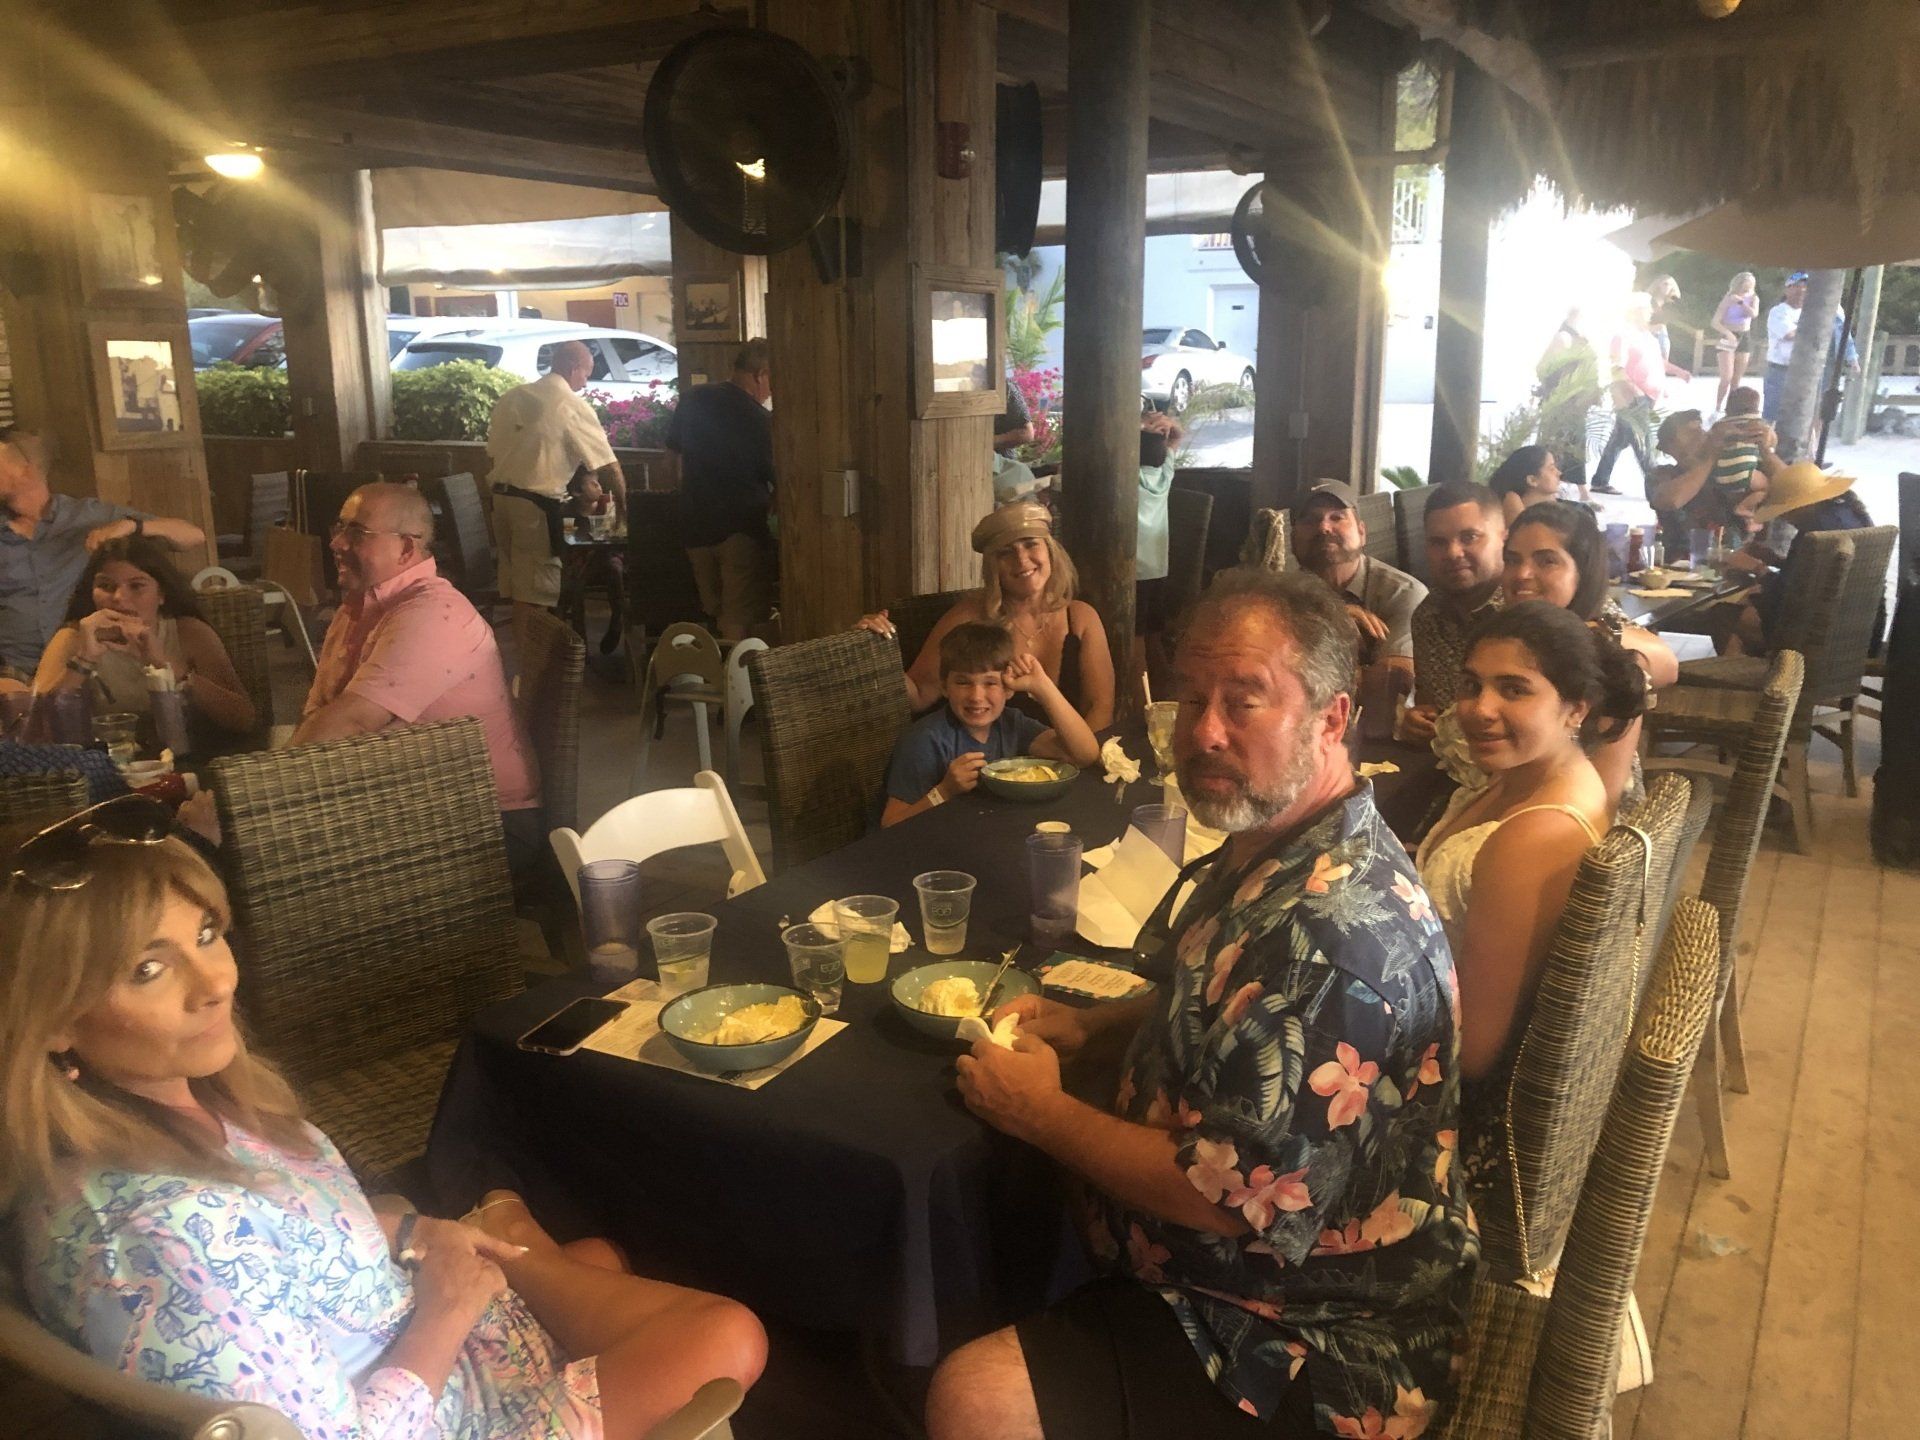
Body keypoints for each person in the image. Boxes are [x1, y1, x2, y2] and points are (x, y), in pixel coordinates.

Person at [2, 802, 766, 1439]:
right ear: (53, 1019)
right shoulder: (159, 1242)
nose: (214, 983)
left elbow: (290, 1237)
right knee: (724, 1335)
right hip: (450, 1411)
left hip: (432, 1344)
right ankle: (518, 1237)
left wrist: (410, 1232)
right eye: (147, 969)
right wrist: (446, 1309)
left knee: (601, 1255)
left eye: (206, 935)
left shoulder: (182, 1105)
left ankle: (516, 1239)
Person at [925, 568, 1475, 1440]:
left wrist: (1043, 1113)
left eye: (1245, 702)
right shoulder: (1282, 836)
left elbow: (1231, 1194)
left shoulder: (1335, 944)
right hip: (1218, 1268)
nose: (1205, 732)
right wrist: (1095, 1025)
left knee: (974, 1396)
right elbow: (1227, 997)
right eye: (1191, 699)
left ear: (1332, 719)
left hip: (1307, 1332)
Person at [1414, 602, 1643, 1196]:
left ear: (1575, 709)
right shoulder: (1532, 779)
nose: (1479, 708)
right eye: (1471, 685)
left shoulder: (1534, 838)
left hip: (1443, 1109)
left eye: (1514, 689)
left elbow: (1474, 1053)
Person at [294, 483, 544, 874]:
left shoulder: (434, 615)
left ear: (406, 548)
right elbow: (321, 713)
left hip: (487, 825)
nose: (336, 543)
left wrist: (253, 795)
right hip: (406, 799)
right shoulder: (355, 609)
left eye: (356, 532)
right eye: (339, 527)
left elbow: (352, 721)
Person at [858, 500, 1115, 731]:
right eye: (1006, 552)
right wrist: (874, 649)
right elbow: (919, 695)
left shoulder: (1081, 617)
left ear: (1050, 551)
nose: (1021, 560)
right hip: (990, 761)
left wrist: (1079, 759)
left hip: (1071, 758)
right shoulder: (968, 616)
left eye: (1030, 544)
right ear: (992, 567)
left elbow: (1100, 707)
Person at [1501, 500, 1677, 807]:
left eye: (1547, 561)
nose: (1522, 574)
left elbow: (1600, 806)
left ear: (1582, 571)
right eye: (1512, 560)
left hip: (1575, 819)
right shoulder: (1503, 633)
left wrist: (1583, 637)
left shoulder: (1605, 662)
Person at [0, 427, 205, 675]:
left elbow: (193, 536)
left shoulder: (89, 516)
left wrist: (132, 526)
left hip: (82, 663)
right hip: (12, 670)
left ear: (27, 470)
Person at [31, 538, 256, 741]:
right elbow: (33, 731)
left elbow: (244, 720)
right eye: (106, 586)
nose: (119, 597)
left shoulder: (188, 632)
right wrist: (83, 660)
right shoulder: (73, 637)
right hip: (107, 761)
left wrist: (166, 666)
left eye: (136, 586)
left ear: (161, 594)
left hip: (191, 756)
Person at [880, 622, 1097, 827]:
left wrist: (1042, 687)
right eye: (963, 682)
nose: (976, 696)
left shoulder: (1011, 724)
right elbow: (890, 824)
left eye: (990, 682)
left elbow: (1085, 754)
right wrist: (944, 792)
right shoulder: (925, 740)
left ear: (1008, 688)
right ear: (945, 687)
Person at [485, 340, 624, 628]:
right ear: (573, 368)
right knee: (534, 597)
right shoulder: (570, 405)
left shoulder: (513, 396)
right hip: (533, 508)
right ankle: (533, 656)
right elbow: (609, 466)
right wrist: (624, 511)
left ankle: (527, 653)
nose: (586, 383)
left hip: (500, 502)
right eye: (586, 374)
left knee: (519, 592)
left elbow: (494, 451)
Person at [664, 339, 776, 643]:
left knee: (715, 612)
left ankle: (717, 666)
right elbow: (779, 478)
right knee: (738, 619)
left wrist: (684, 496)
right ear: (761, 374)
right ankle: (735, 674)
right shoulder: (760, 420)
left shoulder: (692, 399)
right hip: (740, 529)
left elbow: (672, 458)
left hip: (694, 526)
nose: (771, 393)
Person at [1720, 462, 1879, 657]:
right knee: (1748, 606)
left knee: (1726, 614)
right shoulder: (1847, 512)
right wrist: (1776, 560)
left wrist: (1758, 568)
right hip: (1861, 631)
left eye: (1785, 511)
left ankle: (1770, 671)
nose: (1785, 517)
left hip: (1814, 638)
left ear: (1800, 506)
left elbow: (1788, 597)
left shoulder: (1816, 534)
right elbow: (1819, 574)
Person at [1290, 479, 1427, 676]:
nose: (1324, 527)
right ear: (1292, 539)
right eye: (1310, 520)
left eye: (1337, 517)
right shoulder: (1278, 598)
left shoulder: (1403, 594)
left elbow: (1396, 680)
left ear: (1362, 532)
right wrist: (1331, 621)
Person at [1406, 482, 1507, 742]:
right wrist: (1419, 720)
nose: (1453, 553)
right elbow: (1432, 706)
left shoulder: (1525, 612)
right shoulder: (1427, 617)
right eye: (1438, 542)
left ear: (1503, 537)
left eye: (1469, 537)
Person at [1646, 402, 1779, 560]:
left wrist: (1766, 450)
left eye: (1701, 430)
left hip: (1737, 562)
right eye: (1691, 434)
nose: (1701, 436)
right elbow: (1671, 500)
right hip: (1682, 566)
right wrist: (1711, 456)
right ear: (1669, 447)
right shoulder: (1662, 475)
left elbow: (1794, 491)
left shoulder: (1731, 468)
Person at [1590, 292, 1680, 498]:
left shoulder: (1647, 336)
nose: (1649, 313)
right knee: (1643, 442)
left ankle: (1600, 480)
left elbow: (1657, 362)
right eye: (1645, 310)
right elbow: (1617, 366)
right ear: (1635, 312)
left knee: (1619, 440)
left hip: (1648, 395)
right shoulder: (1623, 336)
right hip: (1631, 398)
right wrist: (1634, 389)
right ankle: (1656, 487)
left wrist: (1678, 372)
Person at [1535, 308, 1602, 505]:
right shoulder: (1563, 338)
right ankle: (1549, 491)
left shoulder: (1581, 339)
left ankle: (1582, 492)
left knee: (1576, 446)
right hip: (1561, 403)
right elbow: (1545, 369)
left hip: (1576, 403)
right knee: (1554, 447)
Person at [1134, 411, 1184, 647]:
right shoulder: (1164, 476)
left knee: (1135, 637)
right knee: (1154, 635)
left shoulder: (1128, 477)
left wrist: (1140, 426)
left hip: (1134, 570)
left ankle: (1135, 671)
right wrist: (1168, 424)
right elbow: (1177, 437)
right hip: (1157, 568)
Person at [565, 470, 627, 655]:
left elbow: (620, 530)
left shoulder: (608, 503)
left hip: (608, 555)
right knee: (575, 584)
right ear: (577, 492)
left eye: (598, 482)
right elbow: (568, 538)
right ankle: (580, 640)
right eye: (592, 484)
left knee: (615, 570)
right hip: (583, 559)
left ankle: (617, 618)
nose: (599, 487)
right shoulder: (569, 511)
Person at [1711, 272, 1760, 416]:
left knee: (1736, 379)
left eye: (1750, 284)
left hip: (1744, 335)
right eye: (1745, 284)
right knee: (1726, 376)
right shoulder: (1729, 298)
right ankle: (1717, 406)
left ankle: (1731, 409)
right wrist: (1727, 333)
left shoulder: (1753, 298)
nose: (1748, 287)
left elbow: (1753, 314)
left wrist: (1741, 303)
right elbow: (1715, 322)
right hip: (1728, 335)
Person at [1762, 272, 1809, 421]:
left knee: (1802, 415)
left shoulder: (1811, 313)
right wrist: (1810, 329)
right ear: (1787, 289)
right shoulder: (1778, 311)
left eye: (1805, 287)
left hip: (1805, 371)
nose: (1801, 290)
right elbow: (1789, 334)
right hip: (1780, 370)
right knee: (1772, 415)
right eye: (1796, 286)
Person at [1484, 444, 1563, 526]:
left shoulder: (1552, 506)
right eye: (1551, 468)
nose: (1559, 473)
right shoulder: (1511, 501)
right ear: (1532, 480)